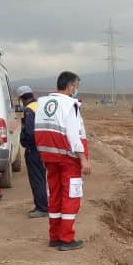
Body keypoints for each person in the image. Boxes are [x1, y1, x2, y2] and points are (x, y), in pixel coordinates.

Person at [35, 71, 91, 251]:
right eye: (76, 87)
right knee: (71, 196)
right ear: (70, 86)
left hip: (49, 156)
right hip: (68, 158)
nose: (76, 90)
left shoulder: (42, 103)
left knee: (55, 195)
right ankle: (66, 239)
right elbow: (74, 134)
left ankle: (55, 236)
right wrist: (83, 159)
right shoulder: (70, 104)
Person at [17, 86, 48, 218]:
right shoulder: (40, 106)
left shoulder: (28, 111)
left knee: (37, 179)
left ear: (21, 99)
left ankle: (42, 207)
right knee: (41, 178)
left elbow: (29, 133)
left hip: (33, 149)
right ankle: (41, 205)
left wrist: (24, 142)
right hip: (44, 148)